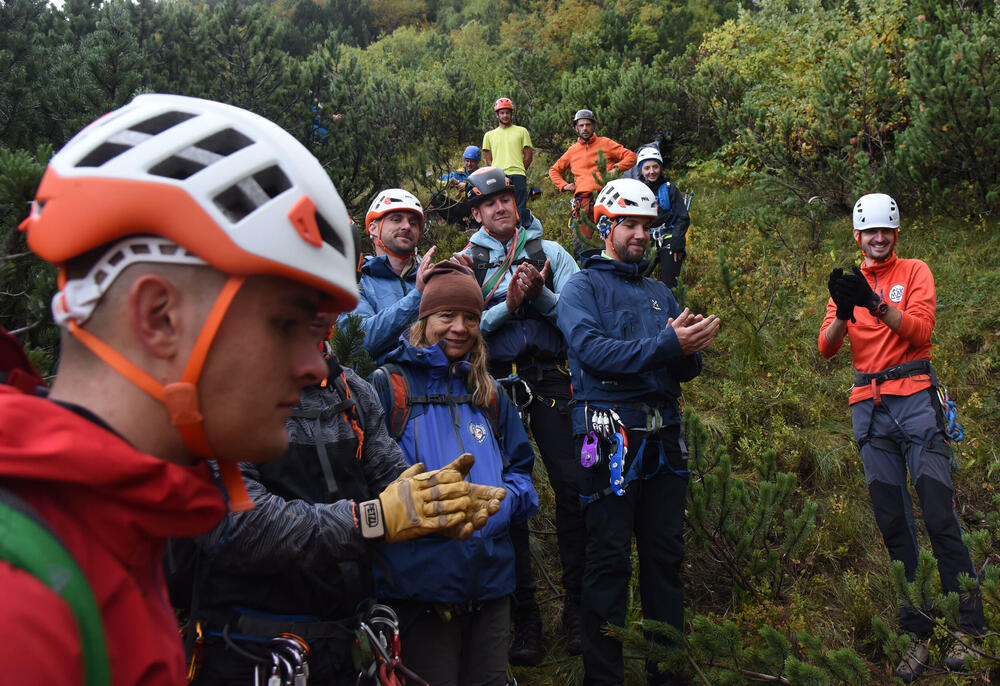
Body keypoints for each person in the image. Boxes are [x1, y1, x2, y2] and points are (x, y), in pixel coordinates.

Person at [0, 93, 501, 686]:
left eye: (320, 330)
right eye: (285, 324)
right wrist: (372, 519)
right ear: (159, 316)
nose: (315, 367)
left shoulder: (107, 537)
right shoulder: (27, 609)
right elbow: (247, 530)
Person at [174, 313, 506, 685]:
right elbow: (237, 524)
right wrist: (372, 520)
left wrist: (439, 501)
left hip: (348, 645)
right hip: (251, 653)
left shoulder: (352, 392)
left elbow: (390, 477)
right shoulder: (222, 391)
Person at [557, 178, 720, 686]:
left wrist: (688, 350)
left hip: (664, 439)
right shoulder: (581, 288)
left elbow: (681, 369)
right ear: (606, 226)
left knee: (665, 560)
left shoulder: (660, 293)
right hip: (607, 437)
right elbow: (593, 352)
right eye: (630, 224)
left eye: (648, 226)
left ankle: (667, 674)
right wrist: (669, 345)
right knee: (607, 562)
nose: (641, 235)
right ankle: (603, 678)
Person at [819, 193, 984, 682]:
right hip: (868, 410)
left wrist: (875, 304)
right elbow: (826, 347)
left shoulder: (915, 272)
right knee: (894, 524)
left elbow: (920, 331)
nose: (878, 238)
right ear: (857, 236)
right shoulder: (848, 283)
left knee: (939, 515)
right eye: (870, 231)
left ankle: (970, 629)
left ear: (896, 234)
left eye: (885, 231)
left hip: (915, 403)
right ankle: (918, 631)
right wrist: (845, 310)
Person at [369, 260, 539, 686]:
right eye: (447, 315)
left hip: (492, 585)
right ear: (424, 319)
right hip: (419, 588)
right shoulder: (390, 388)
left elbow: (522, 473)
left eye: (470, 318)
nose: (459, 328)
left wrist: (501, 504)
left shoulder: (490, 393)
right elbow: (368, 483)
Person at [460, 165, 587, 664]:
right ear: (476, 213)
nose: (500, 207)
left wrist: (542, 296)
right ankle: (524, 617)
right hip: (493, 384)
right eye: (489, 203)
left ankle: (577, 610)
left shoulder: (551, 253)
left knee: (572, 488)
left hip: (552, 380)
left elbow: (579, 321)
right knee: (505, 497)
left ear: (516, 203)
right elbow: (459, 327)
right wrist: (507, 307)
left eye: (506, 199)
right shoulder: (466, 264)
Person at [338, 188, 437, 363]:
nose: (407, 226)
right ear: (373, 228)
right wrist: (418, 294)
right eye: (396, 219)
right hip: (379, 379)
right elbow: (359, 342)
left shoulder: (434, 277)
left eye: (413, 223)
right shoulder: (357, 280)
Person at [548, 109, 637, 235]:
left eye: (588, 125)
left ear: (593, 126)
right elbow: (554, 170)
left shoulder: (605, 143)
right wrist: (564, 185)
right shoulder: (572, 151)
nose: (585, 128)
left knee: (612, 238)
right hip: (583, 203)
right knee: (582, 243)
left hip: (608, 198)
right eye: (581, 125)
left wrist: (616, 169)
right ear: (576, 128)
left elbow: (631, 156)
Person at [636, 147, 690, 289]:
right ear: (641, 170)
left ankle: (672, 302)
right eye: (647, 168)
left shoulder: (670, 189)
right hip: (645, 239)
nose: (652, 171)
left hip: (669, 238)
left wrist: (677, 239)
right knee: (636, 278)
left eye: (655, 166)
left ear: (660, 167)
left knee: (670, 283)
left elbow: (683, 217)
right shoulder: (636, 190)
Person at [482, 97, 534, 227]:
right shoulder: (489, 135)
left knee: (520, 207)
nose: (505, 115)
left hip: (518, 175)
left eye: (507, 112)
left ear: (511, 113)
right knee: (501, 207)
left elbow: (528, 156)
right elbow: (488, 159)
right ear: (497, 115)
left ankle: (521, 234)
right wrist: (496, 172)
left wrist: (520, 169)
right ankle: (504, 233)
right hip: (499, 176)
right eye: (502, 113)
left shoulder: (522, 131)